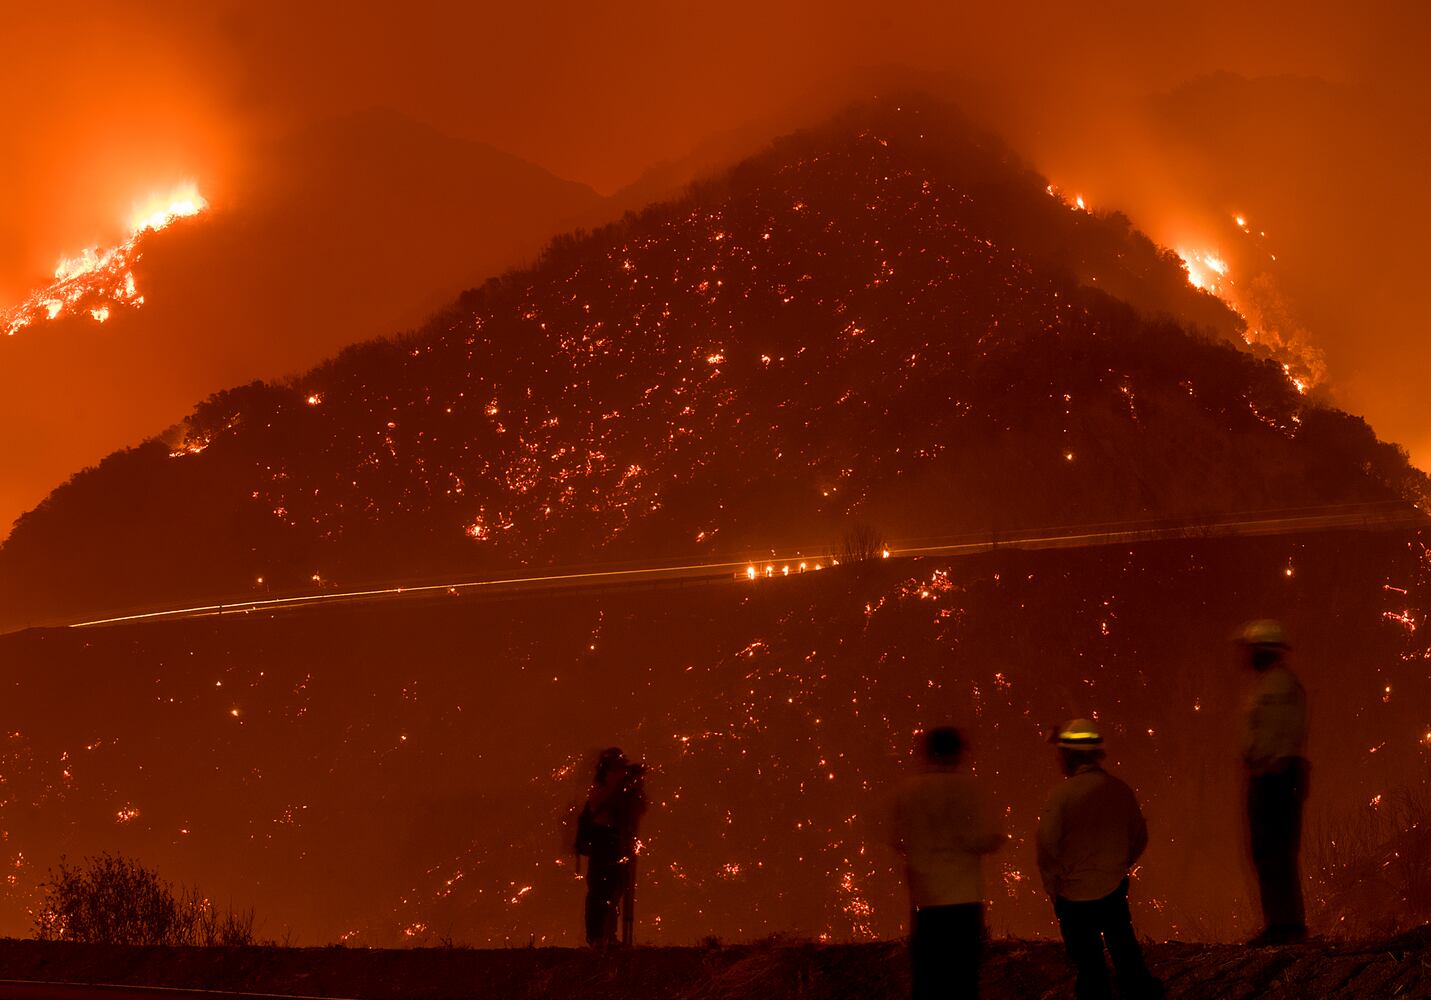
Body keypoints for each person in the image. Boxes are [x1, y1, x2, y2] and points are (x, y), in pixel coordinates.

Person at [1037, 720, 1163, 1000]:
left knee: (1088, 962)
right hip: (1112, 886)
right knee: (1123, 946)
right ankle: (1139, 989)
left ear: (1069, 756)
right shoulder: (1120, 790)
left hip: (1074, 892)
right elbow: (1139, 836)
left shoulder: (1061, 797)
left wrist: (1054, 887)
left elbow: (1046, 847)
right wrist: (1121, 864)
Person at [889, 727, 1004, 1000]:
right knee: (963, 979)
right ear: (956, 754)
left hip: (926, 901)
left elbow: (898, 839)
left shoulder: (909, 791)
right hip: (965, 899)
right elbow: (989, 839)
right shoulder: (971, 789)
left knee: (927, 980)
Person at [1236, 619, 1309, 945]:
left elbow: (1282, 734)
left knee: (1275, 851)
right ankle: (1281, 923)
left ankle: (1286, 926)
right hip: (1271, 775)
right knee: (1269, 852)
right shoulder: (1271, 684)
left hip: (1275, 777)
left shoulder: (1279, 687)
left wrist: (1272, 767)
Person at [575, 747, 646, 948]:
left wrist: (635, 787)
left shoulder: (615, 789)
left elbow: (638, 810)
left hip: (616, 839)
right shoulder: (600, 789)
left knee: (616, 887)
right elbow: (606, 801)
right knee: (601, 889)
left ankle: (609, 935)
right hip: (602, 840)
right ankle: (598, 937)